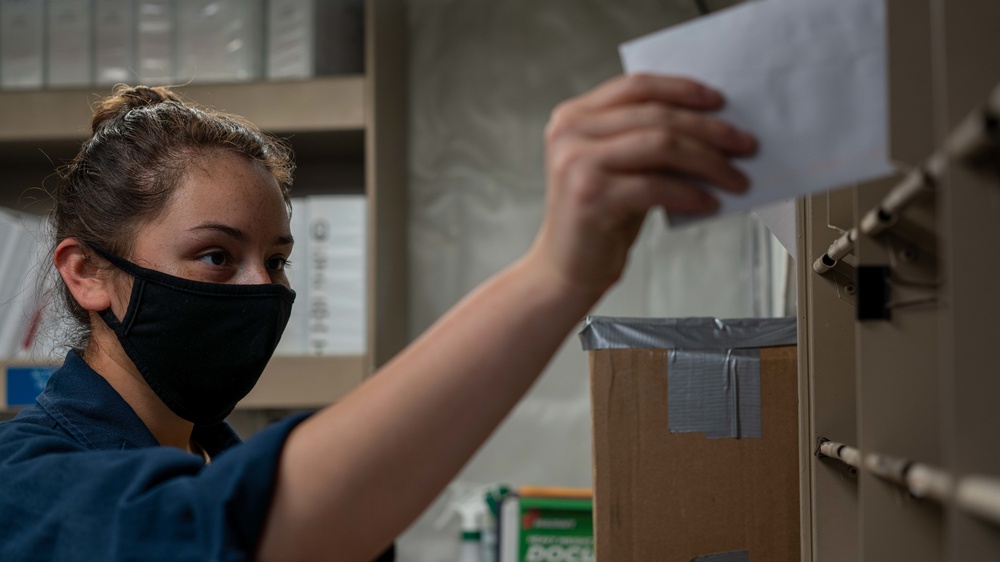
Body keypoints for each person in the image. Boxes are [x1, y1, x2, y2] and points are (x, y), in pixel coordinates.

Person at [0, 74, 755, 561]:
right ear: (88, 273)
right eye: (216, 258)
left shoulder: (217, 453)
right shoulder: (25, 481)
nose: (262, 290)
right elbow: (224, 530)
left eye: (279, 260)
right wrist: (555, 275)